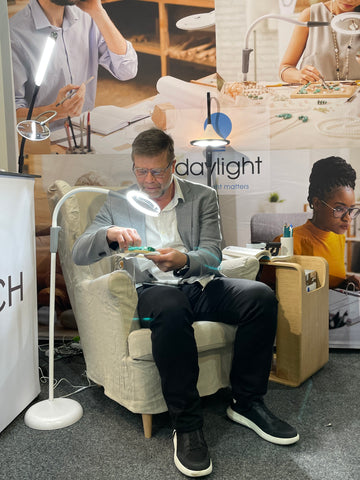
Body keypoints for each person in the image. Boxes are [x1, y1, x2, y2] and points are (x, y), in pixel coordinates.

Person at [72, 128, 299, 478]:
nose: (148, 181)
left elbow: (212, 255)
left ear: (173, 165)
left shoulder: (202, 196)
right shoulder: (119, 201)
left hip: (201, 284)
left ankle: (247, 402)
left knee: (260, 297)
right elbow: (80, 252)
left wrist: (183, 260)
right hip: (154, 291)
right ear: (133, 167)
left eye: (158, 172)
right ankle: (188, 424)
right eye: (141, 171)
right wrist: (108, 235)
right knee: (170, 304)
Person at [9, 0, 138, 129]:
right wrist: (55, 111)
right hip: (42, 140)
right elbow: (9, 115)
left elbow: (127, 70)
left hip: (85, 133)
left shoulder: (88, 15)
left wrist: (98, 12)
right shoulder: (13, 33)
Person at [274, 156, 360, 290]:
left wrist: (345, 282)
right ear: (317, 203)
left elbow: (328, 282)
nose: (348, 218)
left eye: (351, 210)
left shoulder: (339, 236)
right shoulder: (286, 243)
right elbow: (271, 296)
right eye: (339, 209)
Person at [279, 0, 360, 84]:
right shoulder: (311, 15)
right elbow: (285, 68)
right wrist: (299, 75)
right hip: (316, 95)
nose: (350, 0)